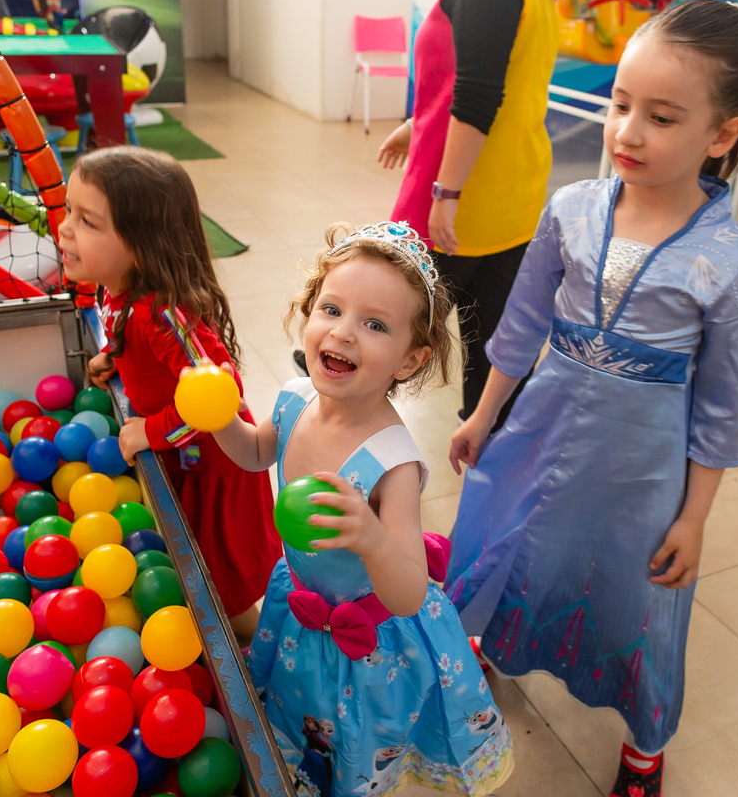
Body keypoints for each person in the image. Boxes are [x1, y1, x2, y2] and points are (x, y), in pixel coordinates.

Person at [443, 1, 738, 796]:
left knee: (635, 590)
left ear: (722, 134)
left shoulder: (730, 261)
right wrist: (483, 413)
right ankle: (490, 641)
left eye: (661, 117)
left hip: (643, 464)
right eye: (620, 104)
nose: (627, 132)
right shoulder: (571, 210)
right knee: (512, 531)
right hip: (541, 425)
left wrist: (695, 517)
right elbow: (523, 323)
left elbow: (725, 405)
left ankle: (644, 743)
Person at [211, 222, 514, 797]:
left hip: (368, 642)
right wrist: (221, 419)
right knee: (300, 719)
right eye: (331, 309)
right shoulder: (295, 399)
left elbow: (407, 595)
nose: (344, 333)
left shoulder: (391, 462)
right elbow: (255, 453)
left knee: (353, 747)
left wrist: (373, 537)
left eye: (375, 325)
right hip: (301, 605)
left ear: (409, 358)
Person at [58, 146, 283, 642]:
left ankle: (259, 644)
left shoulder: (159, 314)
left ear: (141, 244)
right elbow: (126, 341)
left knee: (222, 584)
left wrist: (153, 430)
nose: (65, 228)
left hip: (213, 460)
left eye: (88, 221)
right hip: (184, 452)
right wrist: (112, 358)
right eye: (69, 210)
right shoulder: (110, 286)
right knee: (195, 570)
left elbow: (220, 394)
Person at [378, 0, 559, 427]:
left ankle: (335, 425)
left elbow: (478, 95)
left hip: (457, 202)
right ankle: (492, 458)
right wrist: (413, 127)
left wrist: (447, 193)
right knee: (493, 353)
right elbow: (499, 73)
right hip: (510, 198)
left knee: (384, 334)